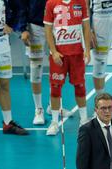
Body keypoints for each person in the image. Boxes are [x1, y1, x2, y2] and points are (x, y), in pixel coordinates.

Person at [19, 0, 71, 125]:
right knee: (36, 68)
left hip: (57, 26)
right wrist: (23, 28)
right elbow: (21, 5)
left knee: (59, 66)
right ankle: (38, 109)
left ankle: (53, 105)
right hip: (35, 27)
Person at [43, 0, 91, 136]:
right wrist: (53, 51)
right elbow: (47, 29)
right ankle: (54, 122)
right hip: (59, 55)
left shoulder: (81, 2)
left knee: (80, 86)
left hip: (76, 54)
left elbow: (86, 27)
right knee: (55, 87)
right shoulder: (51, 3)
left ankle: (84, 119)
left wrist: (87, 50)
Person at [0, 0, 29, 135]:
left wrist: (12, 25)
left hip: (3, 46)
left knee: (4, 84)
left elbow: (19, 9)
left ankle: (7, 123)